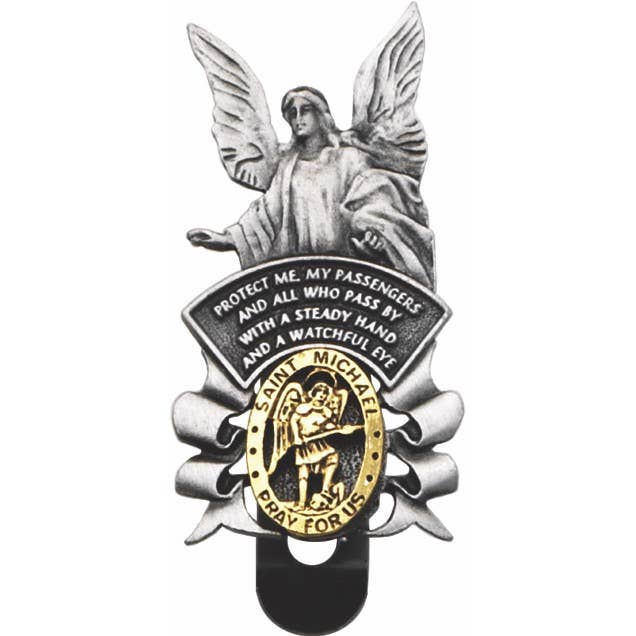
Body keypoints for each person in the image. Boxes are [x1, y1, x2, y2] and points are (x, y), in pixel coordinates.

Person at [188, 87, 436, 288]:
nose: (298, 119)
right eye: (292, 113)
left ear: (321, 115)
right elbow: (266, 215)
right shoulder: (287, 166)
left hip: (348, 272)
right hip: (301, 276)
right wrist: (228, 239)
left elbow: (374, 198)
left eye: (305, 110)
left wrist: (374, 233)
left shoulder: (349, 158)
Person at [289, 370, 341, 510]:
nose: (322, 395)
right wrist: (296, 437)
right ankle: (301, 503)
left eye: (325, 393)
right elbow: (293, 421)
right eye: (320, 392)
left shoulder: (326, 411)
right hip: (304, 445)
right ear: (313, 392)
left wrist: (332, 427)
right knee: (303, 473)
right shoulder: (303, 408)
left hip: (318, 443)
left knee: (332, 457)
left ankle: (325, 491)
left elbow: (328, 426)